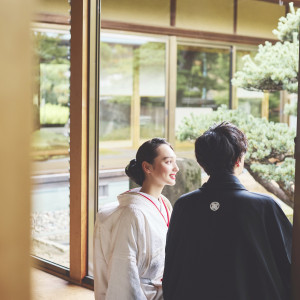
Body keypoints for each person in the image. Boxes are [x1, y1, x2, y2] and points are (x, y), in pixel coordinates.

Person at [162, 122, 292, 300]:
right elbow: (290, 264)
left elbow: (172, 269)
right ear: (239, 160)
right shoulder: (264, 206)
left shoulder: (185, 206)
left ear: (202, 163)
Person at [93, 138, 179, 300]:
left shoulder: (164, 204)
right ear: (147, 167)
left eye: (175, 162)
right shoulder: (132, 213)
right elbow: (124, 271)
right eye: (168, 162)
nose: (176, 168)